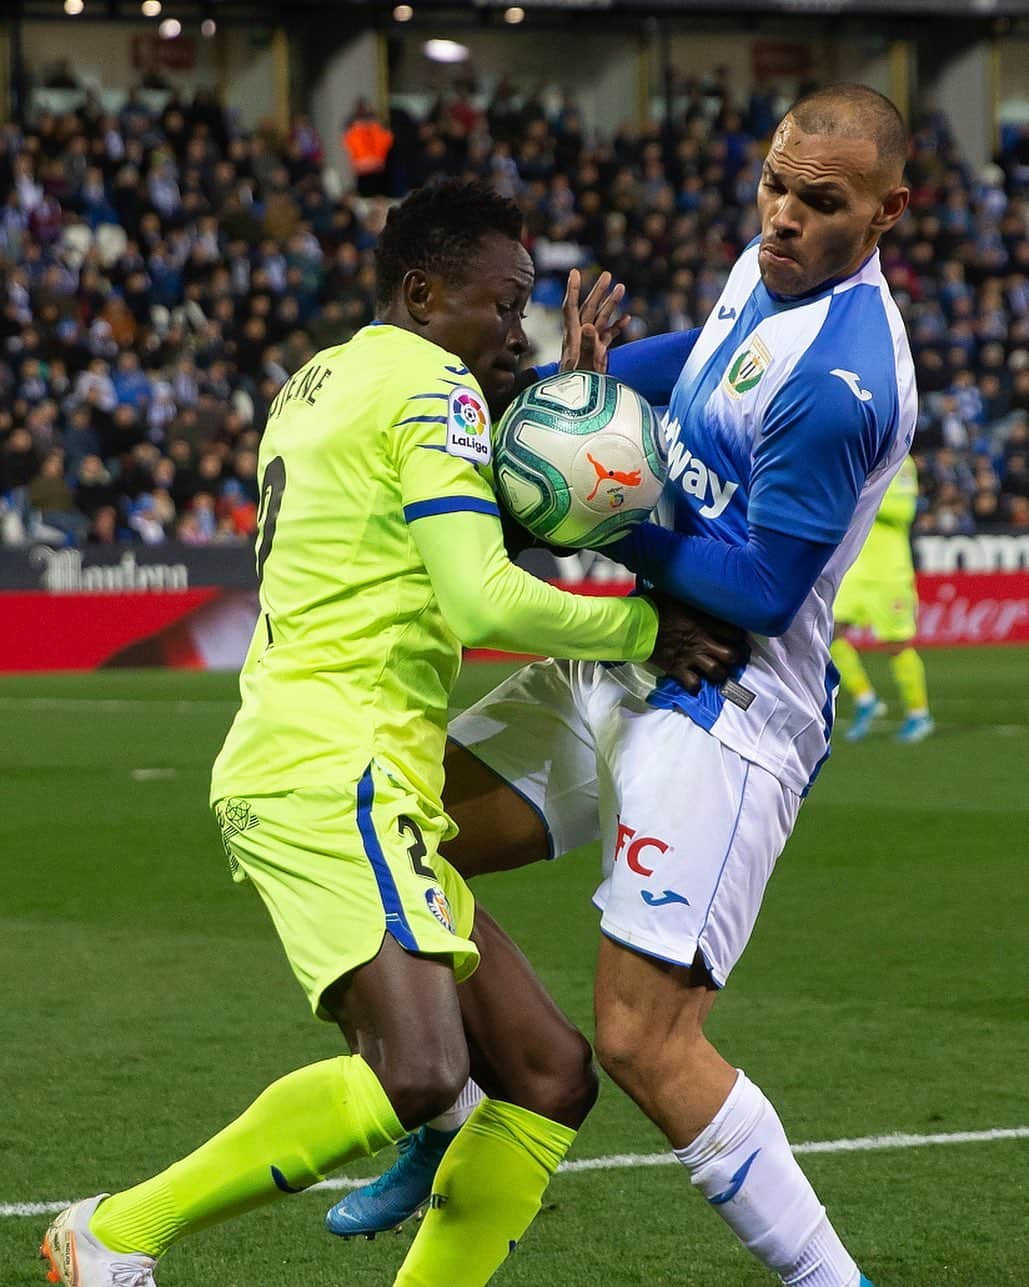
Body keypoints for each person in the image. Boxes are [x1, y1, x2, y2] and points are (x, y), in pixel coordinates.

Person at [39, 180, 735, 1287]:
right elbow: (484, 602)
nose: (516, 333)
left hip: (355, 775)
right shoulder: (428, 386)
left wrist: (572, 400)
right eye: (503, 308)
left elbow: (482, 531)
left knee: (548, 1074)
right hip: (337, 769)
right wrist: (646, 624)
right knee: (418, 1073)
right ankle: (116, 1233)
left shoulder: (322, 378)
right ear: (423, 292)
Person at [331, 85, 916, 1287]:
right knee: (389, 832)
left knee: (645, 1042)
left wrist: (605, 491)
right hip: (632, 645)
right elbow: (699, 366)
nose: (784, 216)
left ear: (889, 214)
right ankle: (442, 1117)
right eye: (774, 184)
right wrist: (578, 388)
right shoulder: (766, 275)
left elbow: (756, 593)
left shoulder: (847, 379)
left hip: (725, 705)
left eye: (822, 202)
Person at [830, 455, 934, 742]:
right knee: (829, 633)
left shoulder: (902, 461)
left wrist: (861, 492)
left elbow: (904, 510)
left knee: (896, 643)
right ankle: (866, 699)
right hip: (855, 569)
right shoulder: (856, 460)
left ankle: (918, 713)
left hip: (889, 571)